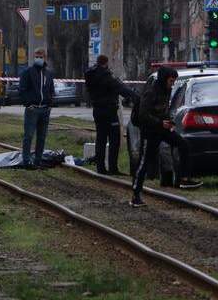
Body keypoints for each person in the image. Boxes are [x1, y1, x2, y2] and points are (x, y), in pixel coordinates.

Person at [130, 67, 201, 207]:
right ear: (164, 79)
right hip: (150, 131)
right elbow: (143, 115)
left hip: (163, 129)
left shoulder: (166, 90)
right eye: (171, 81)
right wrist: (160, 122)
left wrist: (169, 121)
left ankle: (184, 178)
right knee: (144, 162)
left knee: (183, 144)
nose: (172, 84)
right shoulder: (150, 92)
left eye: (174, 81)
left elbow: (164, 109)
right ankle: (136, 194)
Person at [84, 54, 137, 175]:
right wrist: (134, 96)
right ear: (106, 63)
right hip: (109, 111)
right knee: (114, 138)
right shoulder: (106, 76)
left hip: (97, 110)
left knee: (101, 138)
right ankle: (113, 168)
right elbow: (120, 88)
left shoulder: (90, 74)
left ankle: (101, 167)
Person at [18, 48, 55, 168]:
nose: (38, 58)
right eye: (37, 56)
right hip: (32, 109)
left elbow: (51, 89)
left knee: (42, 136)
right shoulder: (27, 72)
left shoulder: (48, 73)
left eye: (41, 56)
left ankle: (38, 160)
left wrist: (50, 104)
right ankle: (26, 161)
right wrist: (28, 104)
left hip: (45, 109)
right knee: (28, 136)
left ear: (45, 57)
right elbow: (22, 90)